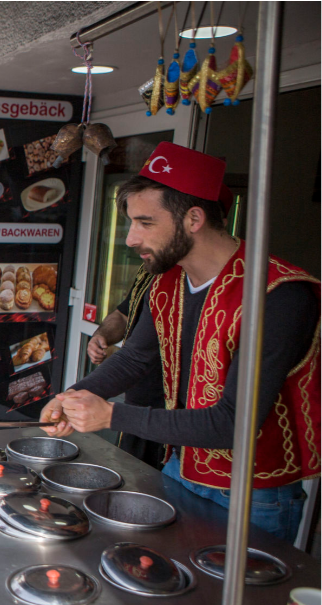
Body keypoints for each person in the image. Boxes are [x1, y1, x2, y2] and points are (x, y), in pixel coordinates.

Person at [41, 142, 319, 542]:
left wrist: (110, 416)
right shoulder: (168, 281)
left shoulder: (276, 295)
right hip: (180, 466)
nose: (131, 239)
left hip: (252, 493)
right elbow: (135, 359)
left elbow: (234, 423)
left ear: (193, 218)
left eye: (145, 223)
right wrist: (74, 394)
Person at [86, 267, 165, 468]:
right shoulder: (149, 272)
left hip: (167, 415)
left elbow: (134, 358)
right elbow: (123, 315)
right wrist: (101, 335)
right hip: (135, 402)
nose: (131, 241)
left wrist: (108, 414)